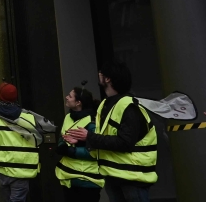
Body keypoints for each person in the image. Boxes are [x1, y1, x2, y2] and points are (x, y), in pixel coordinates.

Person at [66, 60, 157, 202]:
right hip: (113, 175)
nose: (99, 74)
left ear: (108, 79)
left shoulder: (129, 107)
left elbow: (125, 143)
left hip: (132, 178)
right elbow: (106, 138)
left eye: (101, 73)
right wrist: (85, 140)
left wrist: (89, 137)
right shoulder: (106, 105)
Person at [0, 82, 52, 201]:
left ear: (0, 96)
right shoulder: (29, 116)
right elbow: (40, 137)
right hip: (22, 169)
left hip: (3, 168)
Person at [56, 84, 102, 200]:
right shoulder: (68, 117)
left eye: (70, 96)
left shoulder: (92, 122)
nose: (66, 97)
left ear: (78, 103)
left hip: (88, 179)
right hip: (68, 177)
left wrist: (72, 151)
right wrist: (61, 145)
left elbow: (96, 151)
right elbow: (63, 135)